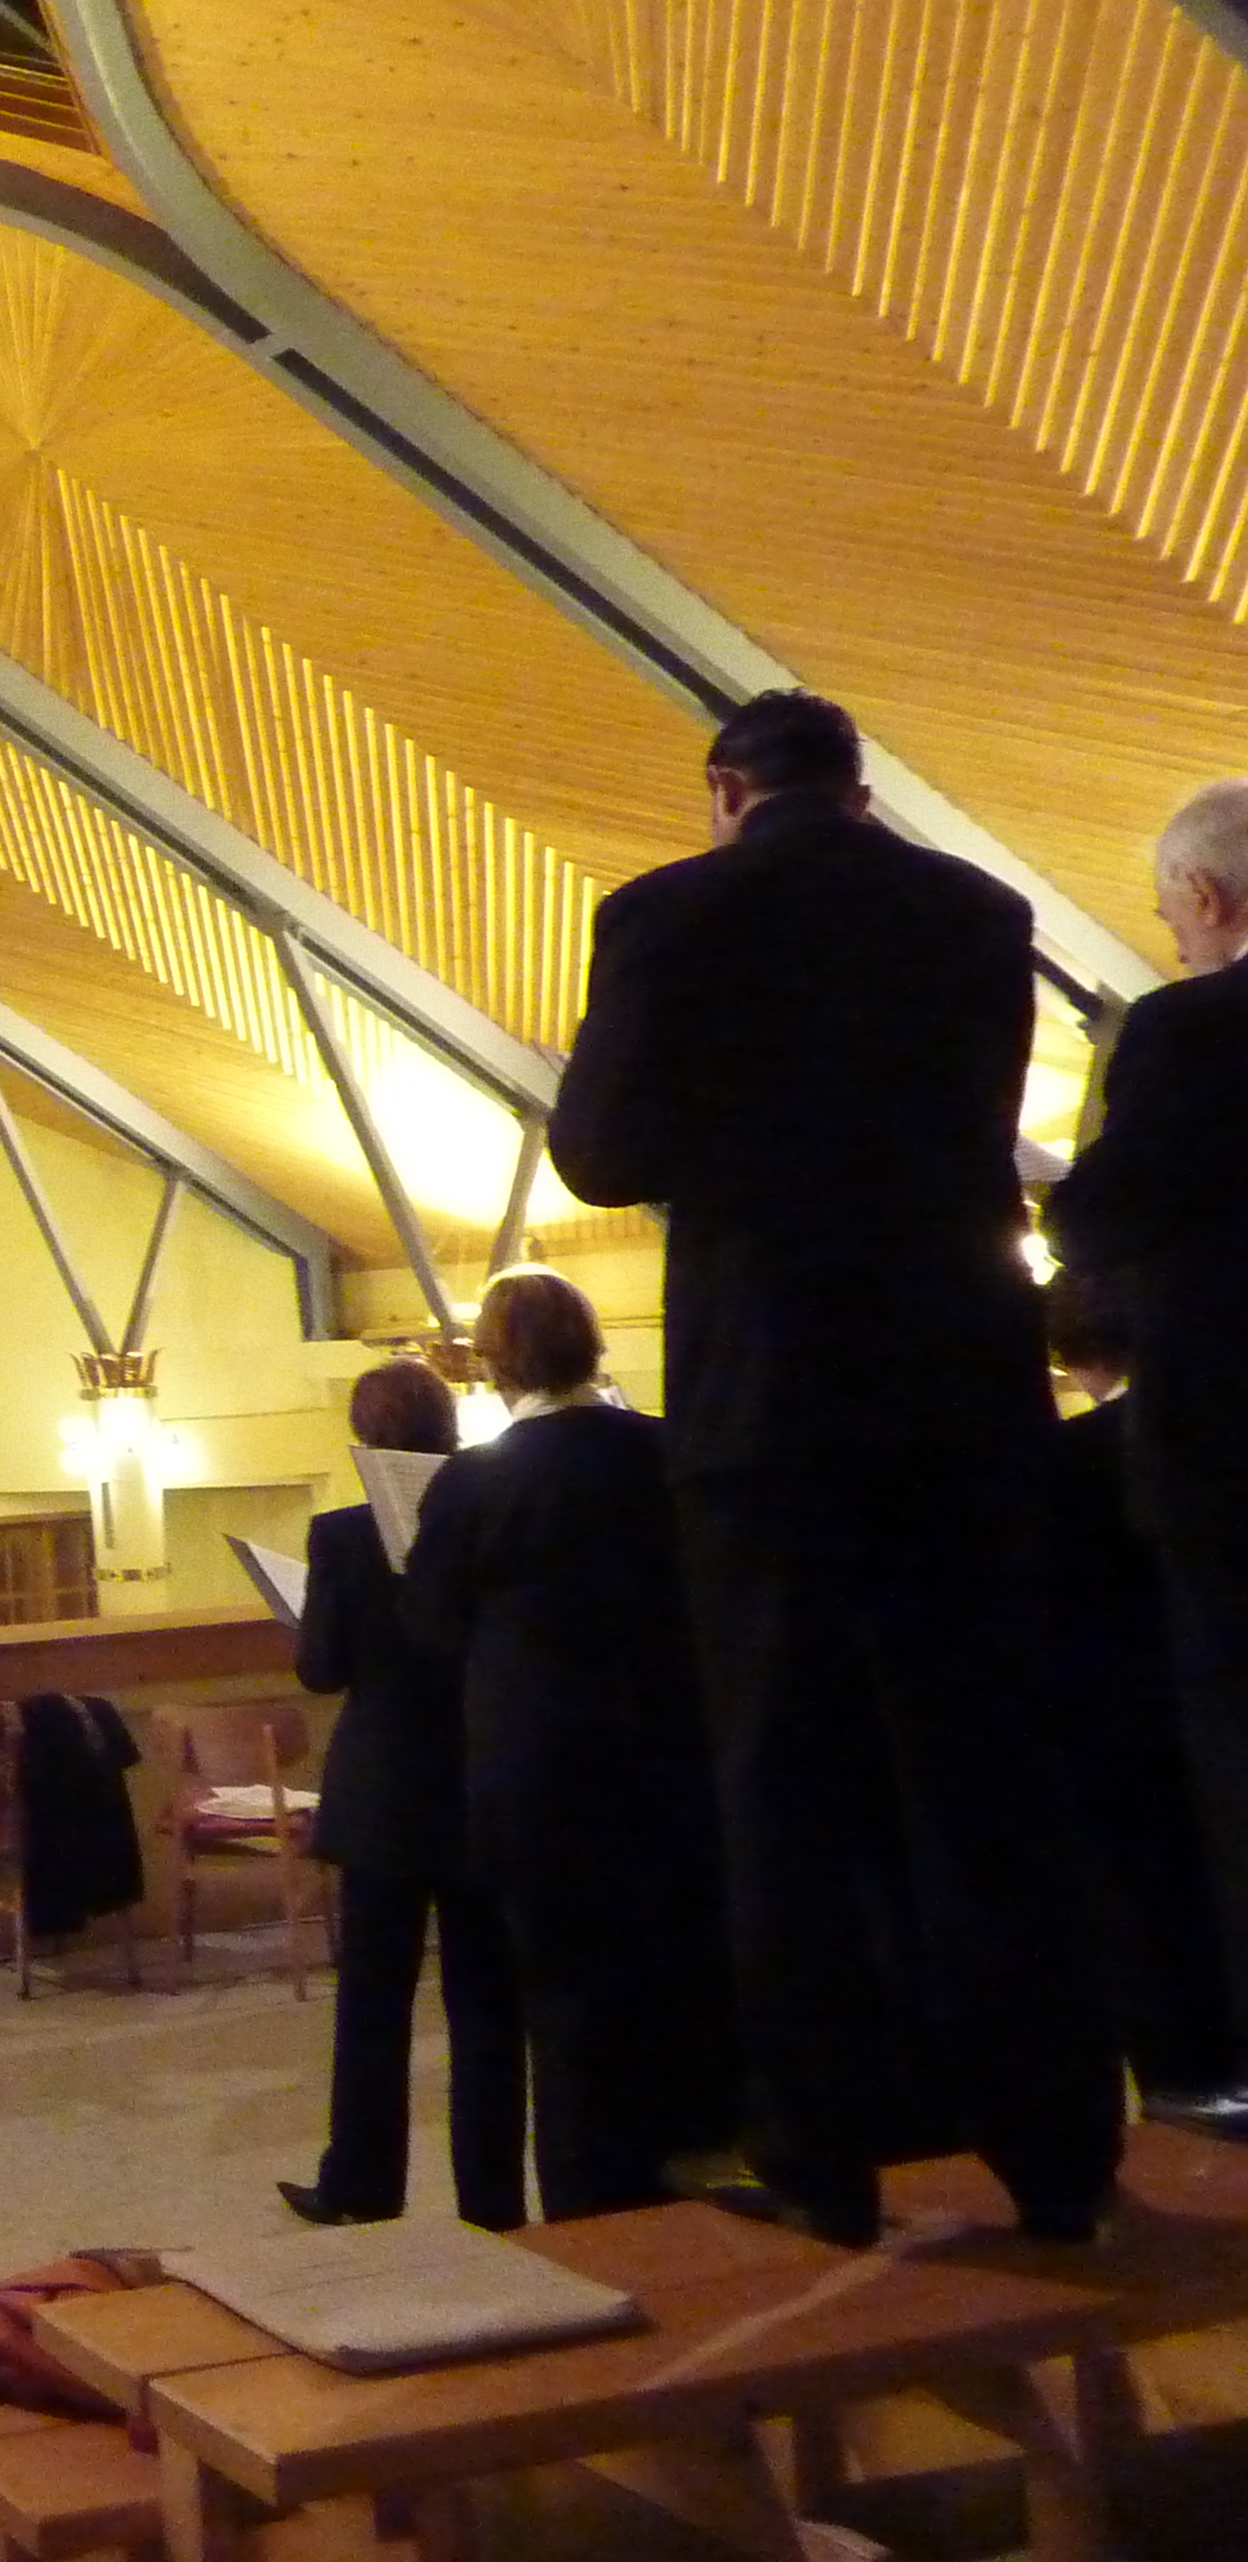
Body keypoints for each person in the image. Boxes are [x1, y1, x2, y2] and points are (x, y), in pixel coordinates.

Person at [549, 688, 1121, 2244]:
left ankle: (823, 2159)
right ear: (859, 791)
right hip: (963, 1395)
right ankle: (1059, 2149)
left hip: (772, 1402)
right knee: (990, 1774)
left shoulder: (666, 914)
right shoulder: (979, 910)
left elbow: (602, 1153)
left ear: (728, 788)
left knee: (783, 1786)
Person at [401, 1270, 738, 2221]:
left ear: (497, 1362)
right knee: (677, 1978)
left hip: (540, 1774)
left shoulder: (477, 1480)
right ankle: (688, 2185)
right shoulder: (664, 1450)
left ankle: (592, 2206)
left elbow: (430, 1627)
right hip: (671, 1762)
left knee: (567, 2004)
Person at [1044, 777, 1248, 2068]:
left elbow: (1100, 1216)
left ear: (1209, 897)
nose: (1173, 939)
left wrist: (1054, 1196)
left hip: (1228, 1460)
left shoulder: (1188, 1030)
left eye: (1173, 917)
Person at [283, 1357, 525, 2230]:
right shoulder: (495, 1517)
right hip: (477, 1780)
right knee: (487, 2008)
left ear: (366, 1438)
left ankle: (361, 2186)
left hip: (384, 1797)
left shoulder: (342, 1535)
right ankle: (491, 2201)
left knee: (373, 2004)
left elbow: (321, 1669)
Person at [1037, 1273, 1248, 2126]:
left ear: (1072, 1356)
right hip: (1215, 1690)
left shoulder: (1065, 1461)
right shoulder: (1216, 1434)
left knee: (1152, 1906)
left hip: (1119, 1721)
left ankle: (1188, 2079)